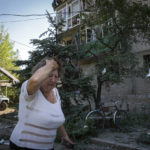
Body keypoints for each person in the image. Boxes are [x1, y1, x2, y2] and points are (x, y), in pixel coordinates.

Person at [9, 57, 74, 150]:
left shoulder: (55, 92)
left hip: (48, 147)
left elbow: (55, 116)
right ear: (41, 74)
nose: (53, 80)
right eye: (49, 75)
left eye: (56, 76)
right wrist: (50, 65)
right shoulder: (29, 88)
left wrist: (64, 136)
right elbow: (35, 80)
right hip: (22, 146)